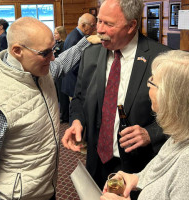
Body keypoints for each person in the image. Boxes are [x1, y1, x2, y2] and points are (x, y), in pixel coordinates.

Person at [0, 17, 100, 200]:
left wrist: (84, 43)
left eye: (53, 49)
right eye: (46, 52)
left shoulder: (38, 69)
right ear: (17, 51)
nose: (52, 57)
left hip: (45, 187)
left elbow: (61, 63)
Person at [62, 0, 171, 198]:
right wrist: (77, 120)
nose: (100, 30)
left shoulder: (162, 58)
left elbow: (183, 116)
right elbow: (78, 98)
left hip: (137, 169)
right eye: (99, 21)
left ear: (131, 26)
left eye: (108, 24)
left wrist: (150, 134)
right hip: (97, 161)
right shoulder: (91, 54)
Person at [100, 50, 189, 200]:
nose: (148, 87)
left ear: (172, 98)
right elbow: (159, 173)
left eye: (152, 82)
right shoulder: (182, 134)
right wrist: (136, 178)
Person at [61, 13, 97, 99]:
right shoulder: (75, 39)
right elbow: (73, 66)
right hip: (73, 84)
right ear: (83, 25)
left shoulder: (76, 34)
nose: (94, 28)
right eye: (92, 26)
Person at [53, 26, 70, 123]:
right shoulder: (57, 44)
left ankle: (65, 116)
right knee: (59, 94)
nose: (54, 35)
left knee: (63, 95)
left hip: (62, 72)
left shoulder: (63, 44)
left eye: (56, 33)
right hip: (57, 71)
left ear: (61, 34)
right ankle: (62, 113)